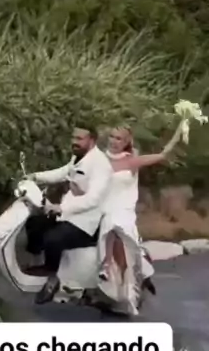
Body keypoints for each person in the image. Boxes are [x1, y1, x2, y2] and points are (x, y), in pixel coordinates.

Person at [98, 122, 183, 314]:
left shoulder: (132, 161)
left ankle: (123, 282)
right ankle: (107, 279)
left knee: (116, 227)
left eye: (119, 138)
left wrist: (179, 130)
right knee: (107, 222)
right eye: (112, 136)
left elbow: (163, 154)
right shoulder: (99, 159)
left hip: (124, 209)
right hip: (104, 207)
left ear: (126, 142)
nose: (113, 141)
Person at [29, 125, 113, 304]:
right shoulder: (78, 156)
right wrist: (35, 177)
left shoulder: (101, 165)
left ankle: (52, 277)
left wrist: (61, 208)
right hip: (68, 215)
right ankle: (38, 265)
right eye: (74, 138)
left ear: (92, 140)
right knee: (34, 223)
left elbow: (93, 199)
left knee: (53, 239)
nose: (75, 142)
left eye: (80, 139)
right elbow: (63, 172)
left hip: (86, 223)